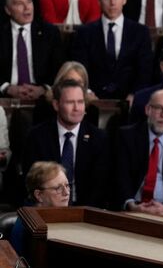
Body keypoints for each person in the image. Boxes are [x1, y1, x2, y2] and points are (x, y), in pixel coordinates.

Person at [22, 79, 109, 208]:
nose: (76, 108)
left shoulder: (99, 138)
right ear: (56, 105)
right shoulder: (37, 136)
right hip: (48, 211)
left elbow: (101, 186)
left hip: (87, 213)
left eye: (80, 102)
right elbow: (32, 183)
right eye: (70, 102)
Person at [71, 0, 154, 100]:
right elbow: (79, 69)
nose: (112, 2)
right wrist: (86, 92)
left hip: (129, 101)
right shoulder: (84, 33)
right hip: (92, 101)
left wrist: (135, 95)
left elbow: (145, 72)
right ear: (99, 1)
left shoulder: (140, 32)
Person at [115, 89, 163, 217]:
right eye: (158, 108)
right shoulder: (127, 136)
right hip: (132, 209)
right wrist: (131, 205)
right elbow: (120, 176)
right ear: (148, 110)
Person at [1, 0, 64, 101]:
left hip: (42, 97)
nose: (27, 8)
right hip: (5, 95)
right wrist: (6, 88)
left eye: (29, 1)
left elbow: (59, 68)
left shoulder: (49, 32)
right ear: (8, 10)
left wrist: (44, 88)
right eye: (19, 4)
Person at [11, 162, 71, 256]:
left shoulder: (71, 217)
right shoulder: (26, 226)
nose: (66, 192)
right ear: (39, 195)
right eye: (58, 188)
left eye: (67, 185)